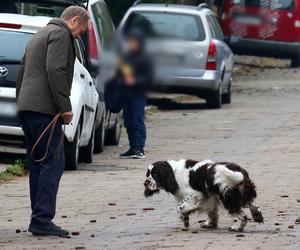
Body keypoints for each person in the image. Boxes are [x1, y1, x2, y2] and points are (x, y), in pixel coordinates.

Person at [16, 6, 89, 236]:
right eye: (82, 30)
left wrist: (22, 105)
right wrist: (65, 107)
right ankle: (42, 219)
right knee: (52, 163)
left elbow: (22, 71)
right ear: (74, 20)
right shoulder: (60, 34)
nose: (79, 35)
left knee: (38, 163)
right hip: (45, 110)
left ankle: (38, 217)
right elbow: (55, 70)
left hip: (29, 108)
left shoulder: (39, 35)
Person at [117, 29, 153, 159]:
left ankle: (139, 148)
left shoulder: (145, 58)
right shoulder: (127, 56)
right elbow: (122, 74)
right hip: (127, 93)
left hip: (138, 94)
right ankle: (132, 146)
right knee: (128, 121)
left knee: (138, 121)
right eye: (130, 42)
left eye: (134, 42)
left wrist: (135, 81)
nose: (131, 44)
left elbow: (148, 78)